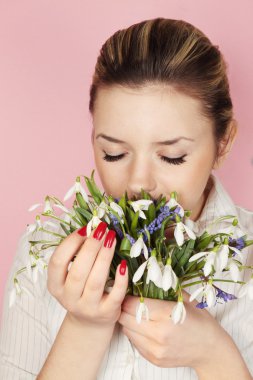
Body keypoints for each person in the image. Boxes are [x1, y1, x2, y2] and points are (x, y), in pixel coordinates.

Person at [0, 17, 253, 380]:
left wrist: (214, 354)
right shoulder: (45, 252)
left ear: (223, 143)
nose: (138, 184)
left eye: (172, 157)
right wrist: (84, 329)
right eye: (114, 154)